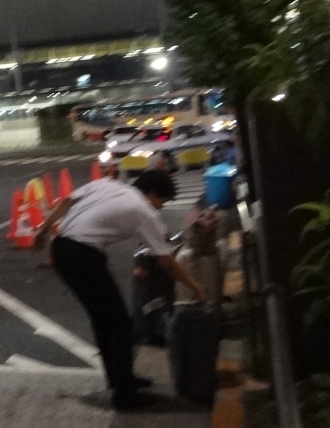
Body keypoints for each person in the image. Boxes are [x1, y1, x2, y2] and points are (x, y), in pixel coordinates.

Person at [34, 169, 207, 409]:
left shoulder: (108, 184)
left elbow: (67, 201)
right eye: (162, 201)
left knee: (105, 321)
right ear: (152, 193)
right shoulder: (142, 210)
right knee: (119, 324)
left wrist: (43, 229)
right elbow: (165, 261)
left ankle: (120, 380)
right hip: (82, 257)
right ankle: (125, 395)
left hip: (63, 249)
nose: (161, 207)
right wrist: (195, 284)